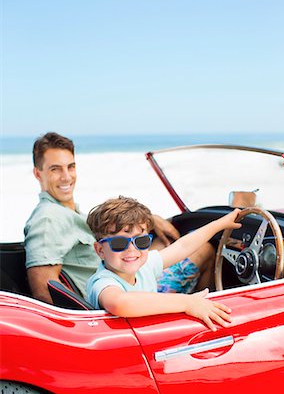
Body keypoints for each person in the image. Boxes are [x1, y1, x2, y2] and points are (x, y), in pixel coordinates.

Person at [24, 132, 215, 305]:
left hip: (122, 276)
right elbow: (43, 291)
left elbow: (108, 230)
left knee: (168, 242)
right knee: (204, 249)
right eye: (55, 169)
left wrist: (151, 218)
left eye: (71, 167)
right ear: (37, 173)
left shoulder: (67, 212)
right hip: (113, 298)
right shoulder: (48, 219)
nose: (66, 177)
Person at [86, 196, 241, 330]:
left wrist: (220, 224)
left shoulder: (143, 266)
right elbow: (120, 303)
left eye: (141, 241)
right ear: (100, 250)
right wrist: (187, 302)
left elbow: (182, 246)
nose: (132, 250)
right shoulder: (104, 282)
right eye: (119, 243)